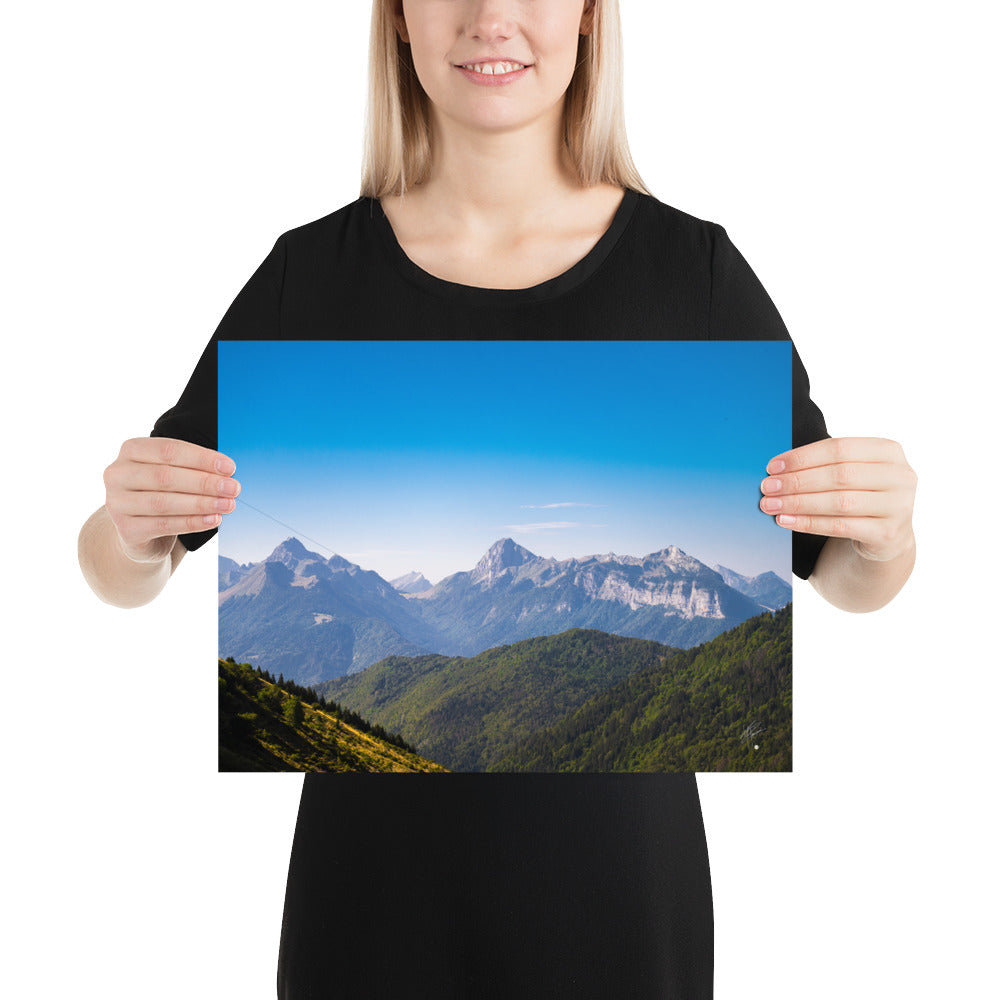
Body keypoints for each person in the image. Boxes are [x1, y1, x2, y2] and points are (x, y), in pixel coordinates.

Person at [78, 1, 917, 996]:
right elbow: (120, 568)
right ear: (396, 18)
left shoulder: (693, 275)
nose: (492, 18)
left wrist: (885, 533)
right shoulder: (310, 276)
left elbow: (845, 576)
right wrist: (130, 533)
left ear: (591, 17)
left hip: (619, 908)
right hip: (369, 910)